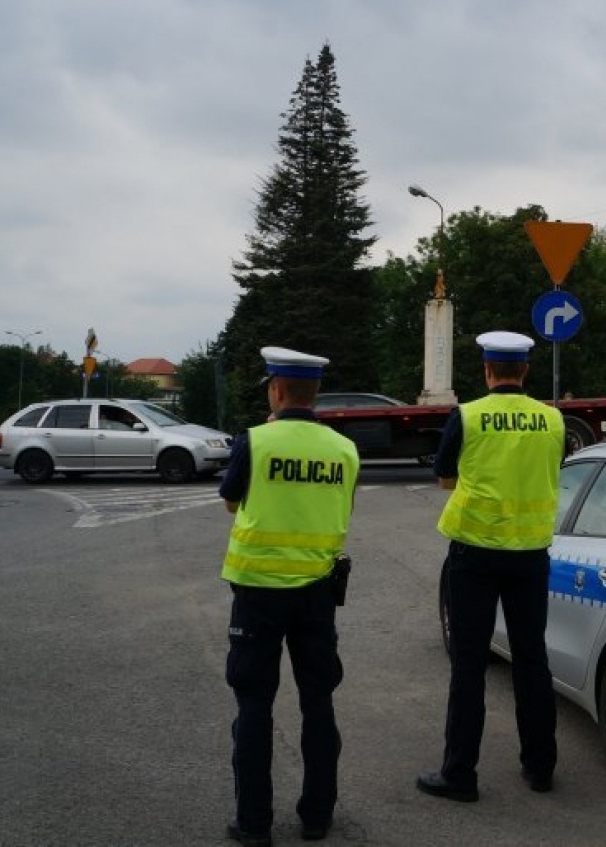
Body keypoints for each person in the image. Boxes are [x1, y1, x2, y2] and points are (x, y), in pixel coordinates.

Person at [219, 347, 360, 847]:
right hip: (318, 594)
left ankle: (254, 824)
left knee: (254, 704)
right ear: (314, 392)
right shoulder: (344, 449)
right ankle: (317, 817)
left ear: (276, 389)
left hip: (257, 594)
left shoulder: (255, 441)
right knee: (318, 701)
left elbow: (232, 499)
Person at [418, 330, 563, 802]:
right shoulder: (554, 420)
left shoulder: (469, 415)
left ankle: (460, 774)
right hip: (531, 555)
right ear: (525, 371)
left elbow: (444, 476)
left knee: (468, 665)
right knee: (531, 659)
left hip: (475, 555)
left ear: (486, 370)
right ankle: (540, 768)